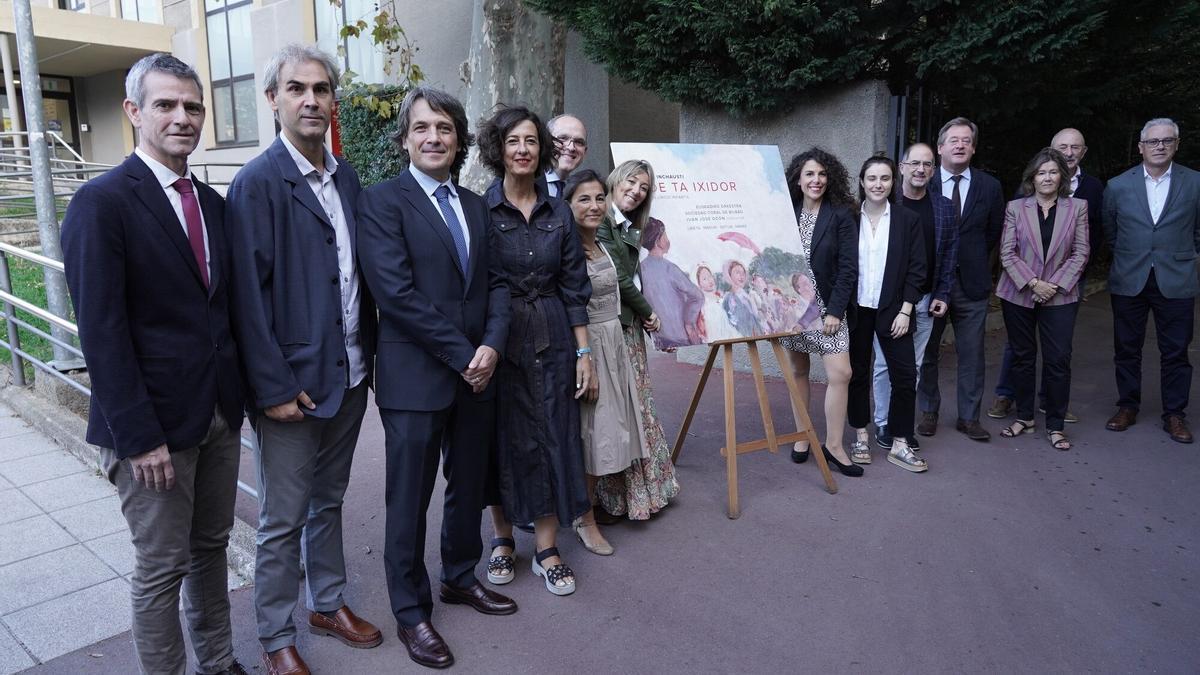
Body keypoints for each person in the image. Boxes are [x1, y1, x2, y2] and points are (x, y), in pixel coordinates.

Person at [59, 53, 247, 675]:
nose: (182, 116)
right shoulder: (102, 202)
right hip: (152, 433)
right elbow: (102, 334)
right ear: (134, 112)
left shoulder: (213, 205)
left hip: (217, 414)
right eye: (165, 104)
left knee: (210, 551)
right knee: (162, 569)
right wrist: (140, 439)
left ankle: (219, 664)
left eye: (193, 106)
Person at [226, 45, 381, 675]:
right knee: (281, 518)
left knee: (329, 500)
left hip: (349, 374)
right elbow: (246, 302)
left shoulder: (345, 176)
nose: (311, 99)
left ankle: (329, 603)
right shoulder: (257, 183)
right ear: (274, 100)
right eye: (297, 89)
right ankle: (274, 634)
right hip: (292, 389)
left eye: (321, 89)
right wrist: (272, 389)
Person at [356, 86, 516, 670]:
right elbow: (394, 296)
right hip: (416, 377)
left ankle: (458, 576)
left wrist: (492, 346)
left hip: (476, 374)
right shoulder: (381, 203)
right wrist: (466, 352)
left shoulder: (476, 206)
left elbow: (496, 284)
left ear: (459, 139)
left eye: (444, 128)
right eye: (422, 128)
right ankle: (410, 611)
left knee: (467, 485)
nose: (433, 137)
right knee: (409, 497)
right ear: (405, 139)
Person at [480, 105, 594, 597]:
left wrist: (584, 354)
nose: (523, 150)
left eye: (530, 141)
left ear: (540, 149)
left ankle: (547, 548)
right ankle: (503, 539)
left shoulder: (559, 213)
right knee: (503, 438)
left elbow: (574, 286)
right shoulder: (479, 210)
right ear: (498, 151)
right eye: (513, 142)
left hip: (553, 332)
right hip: (501, 338)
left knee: (553, 434)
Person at [564, 168, 651, 556]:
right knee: (592, 432)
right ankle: (584, 519)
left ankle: (593, 505)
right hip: (589, 345)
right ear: (567, 205)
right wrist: (585, 357)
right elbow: (567, 306)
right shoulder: (568, 250)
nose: (595, 206)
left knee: (607, 430)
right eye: (584, 199)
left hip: (613, 340)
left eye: (599, 198)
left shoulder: (600, 243)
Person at [989, 127, 1102, 422]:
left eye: (1053, 172)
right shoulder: (1016, 207)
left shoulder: (1078, 207)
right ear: (1032, 178)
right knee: (1022, 356)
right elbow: (1007, 252)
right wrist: (1033, 283)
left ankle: (1054, 418)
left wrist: (1054, 285)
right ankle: (1024, 416)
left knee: (1058, 358)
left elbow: (1081, 251)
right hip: (1020, 291)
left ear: (1061, 177)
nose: (1048, 177)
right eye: (1042, 173)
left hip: (1060, 294)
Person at [1103, 117, 1199, 444]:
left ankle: (1175, 414)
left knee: (1175, 350)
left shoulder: (1195, 182)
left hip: (1177, 278)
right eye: (1153, 141)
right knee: (1126, 348)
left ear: (1176, 144)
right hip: (1130, 278)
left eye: (1167, 141)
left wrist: (1184, 257)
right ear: (1141, 147)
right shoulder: (1117, 186)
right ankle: (1127, 406)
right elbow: (1111, 232)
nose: (1160, 146)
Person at [595, 159, 681, 519]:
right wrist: (650, 313)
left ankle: (646, 492)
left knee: (638, 405)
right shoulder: (602, 220)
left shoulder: (629, 226)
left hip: (627, 326)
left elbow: (637, 277)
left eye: (644, 187)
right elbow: (618, 277)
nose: (636, 191)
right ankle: (620, 497)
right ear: (616, 180)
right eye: (632, 182)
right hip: (610, 326)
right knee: (624, 409)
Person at [917, 117, 1005, 441]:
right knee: (927, 350)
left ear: (973, 148)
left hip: (972, 284)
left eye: (966, 140)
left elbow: (993, 232)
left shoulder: (990, 186)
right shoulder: (924, 182)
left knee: (972, 353)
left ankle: (969, 417)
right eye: (953, 140)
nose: (960, 145)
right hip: (931, 283)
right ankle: (928, 410)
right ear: (940, 147)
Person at [778, 148, 861, 477]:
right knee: (798, 370)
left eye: (822, 174)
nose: (816, 180)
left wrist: (835, 311)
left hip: (828, 310)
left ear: (831, 178)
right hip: (794, 309)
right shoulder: (785, 212)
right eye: (810, 174)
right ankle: (802, 437)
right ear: (798, 178)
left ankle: (834, 446)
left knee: (841, 374)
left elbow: (848, 268)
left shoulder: (841, 214)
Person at [872, 143, 958, 451]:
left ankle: (901, 425)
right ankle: (883, 422)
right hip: (889, 300)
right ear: (902, 167)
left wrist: (944, 293)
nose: (921, 169)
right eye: (915, 163)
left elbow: (949, 255)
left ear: (934, 171)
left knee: (915, 366)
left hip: (925, 299)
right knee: (884, 363)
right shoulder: (886, 203)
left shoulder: (945, 207)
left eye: (927, 164)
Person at [846, 156, 927, 471]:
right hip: (857, 310)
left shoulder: (907, 220)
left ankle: (900, 443)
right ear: (862, 182)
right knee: (857, 374)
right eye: (871, 178)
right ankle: (861, 436)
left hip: (895, 311)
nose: (878, 184)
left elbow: (918, 269)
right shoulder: (849, 218)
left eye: (885, 178)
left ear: (894, 182)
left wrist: (906, 310)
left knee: (905, 376)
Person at [640, 217, 705, 346]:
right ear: (658, 241)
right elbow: (697, 296)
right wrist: (688, 322)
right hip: (680, 336)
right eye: (665, 235)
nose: (667, 239)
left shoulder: (641, 268)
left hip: (659, 337)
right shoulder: (670, 269)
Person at [541, 114, 588, 198]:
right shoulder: (527, 183)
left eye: (579, 142)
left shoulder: (580, 193)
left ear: (585, 151)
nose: (571, 148)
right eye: (563, 138)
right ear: (546, 141)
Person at [696, 263, 738, 340]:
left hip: (730, 334)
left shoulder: (720, 296)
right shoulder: (704, 305)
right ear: (699, 284)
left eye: (710, 276)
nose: (709, 280)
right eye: (704, 279)